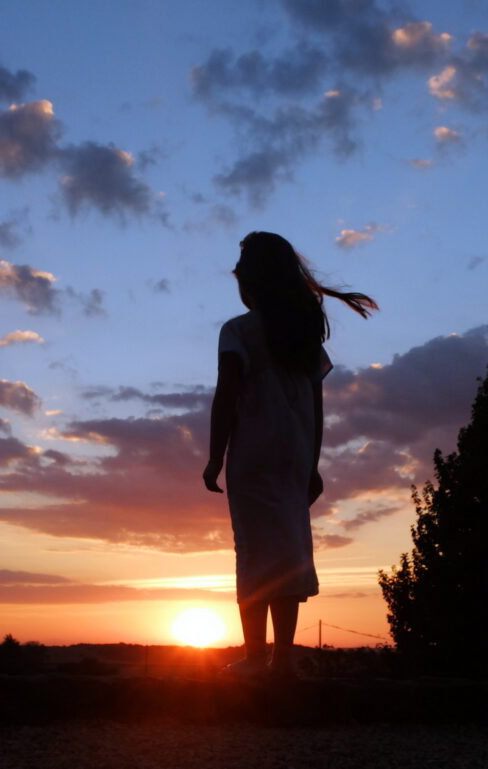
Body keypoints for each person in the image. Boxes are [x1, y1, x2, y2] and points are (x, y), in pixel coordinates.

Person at [202, 231, 377, 678]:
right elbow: (317, 408)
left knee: (255, 548)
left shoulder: (238, 332)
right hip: (294, 457)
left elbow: (227, 394)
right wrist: (313, 463)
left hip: (254, 456)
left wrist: (215, 455)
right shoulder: (303, 339)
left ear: (251, 282)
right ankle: (281, 660)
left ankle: (256, 658)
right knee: (290, 551)